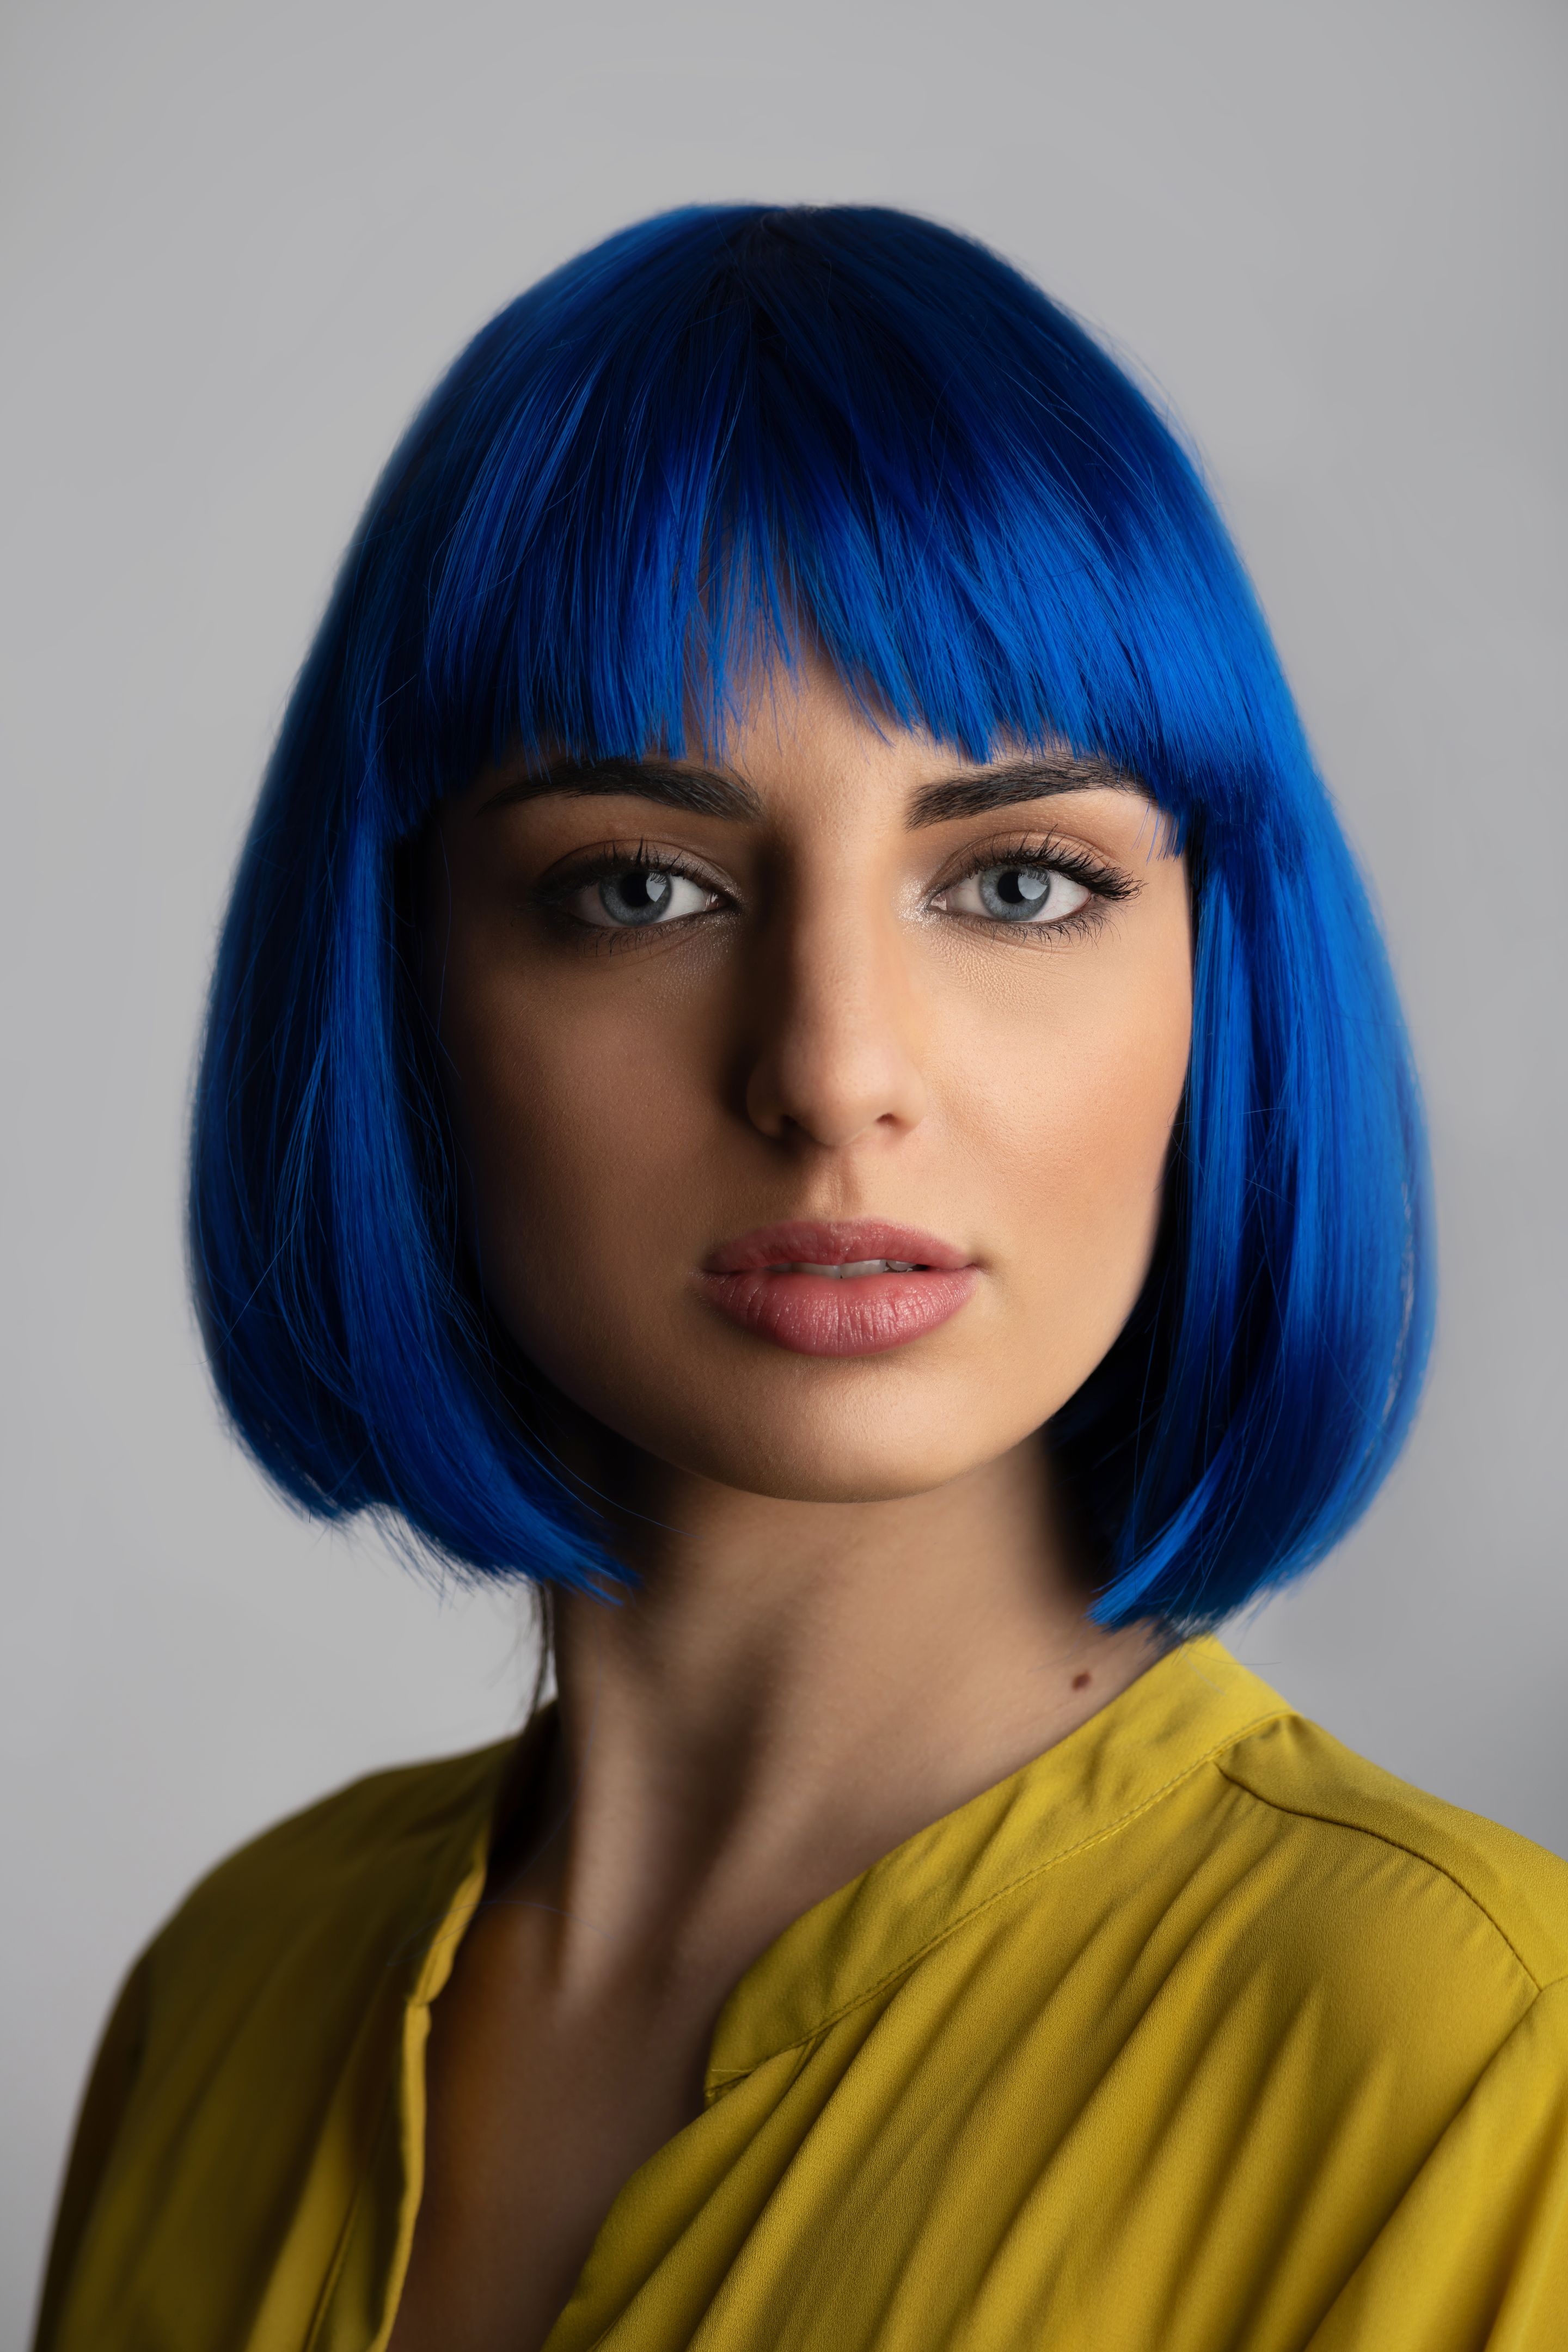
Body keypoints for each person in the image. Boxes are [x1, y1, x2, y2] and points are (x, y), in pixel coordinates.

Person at [33, 205, 1568, 2352]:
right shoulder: (231, 1997)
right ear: (398, 989)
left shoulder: (1478, 2072)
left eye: (1021, 879)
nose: (834, 1071)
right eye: (640, 885)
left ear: (1224, 985)